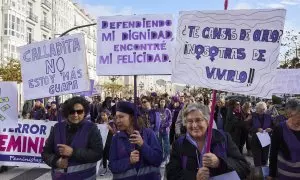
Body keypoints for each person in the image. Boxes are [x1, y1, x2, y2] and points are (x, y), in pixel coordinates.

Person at [166, 103, 250, 179]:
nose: (194, 125)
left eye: (198, 120)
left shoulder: (223, 138)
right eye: (190, 121)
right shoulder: (179, 144)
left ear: (207, 121)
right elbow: (171, 174)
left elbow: (244, 167)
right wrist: (194, 176)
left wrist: (220, 163)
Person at [41, 96, 103, 180]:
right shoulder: (57, 128)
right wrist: (56, 161)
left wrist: (73, 152)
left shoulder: (91, 128)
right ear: (67, 112)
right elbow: (45, 153)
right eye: (72, 112)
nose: (76, 115)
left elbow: (98, 153)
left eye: (79, 111)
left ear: (84, 112)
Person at [109, 101, 163, 180]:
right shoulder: (116, 138)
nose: (117, 121)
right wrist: (129, 161)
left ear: (132, 117)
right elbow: (112, 166)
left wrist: (143, 145)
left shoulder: (149, 134)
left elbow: (158, 160)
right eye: (116, 117)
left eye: (121, 117)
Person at [268, 99, 300, 180]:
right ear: (289, 114)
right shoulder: (280, 129)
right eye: (298, 115)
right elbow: (273, 152)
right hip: (285, 173)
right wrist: (271, 174)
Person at [250, 102, 273, 167]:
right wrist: (256, 129)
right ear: (256, 109)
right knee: (257, 158)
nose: (261, 110)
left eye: (263, 109)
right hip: (255, 140)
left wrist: (271, 129)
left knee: (265, 157)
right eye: (260, 109)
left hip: (266, 140)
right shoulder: (252, 115)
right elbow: (248, 127)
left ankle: (264, 171)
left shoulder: (268, 116)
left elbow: (274, 126)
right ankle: (258, 173)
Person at [96, 109, 117, 176]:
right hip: (102, 140)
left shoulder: (112, 123)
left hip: (110, 140)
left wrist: (110, 128)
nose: (103, 117)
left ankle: (112, 166)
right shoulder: (100, 122)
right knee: (104, 154)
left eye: (104, 115)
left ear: (108, 115)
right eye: (101, 115)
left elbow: (115, 132)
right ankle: (104, 168)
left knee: (109, 154)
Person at [158, 98, 172, 164]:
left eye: (163, 102)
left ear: (165, 103)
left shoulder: (168, 111)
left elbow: (170, 120)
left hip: (166, 130)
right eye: (161, 102)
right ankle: (161, 157)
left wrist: (165, 125)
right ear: (159, 102)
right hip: (158, 130)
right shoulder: (157, 110)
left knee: (166, 144)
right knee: (159, 143)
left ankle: (167, 157)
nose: (162, 103)